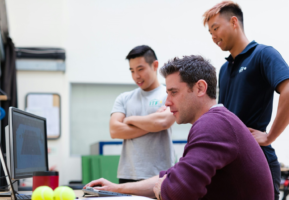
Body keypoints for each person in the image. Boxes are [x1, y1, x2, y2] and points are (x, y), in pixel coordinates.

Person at [85, 55, 274, 200]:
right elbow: (172, 176)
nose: (167, 103)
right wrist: (116, 188)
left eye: (173, 92)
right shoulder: (217, 121)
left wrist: (163, 190)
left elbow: (180, 191)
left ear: (200, 88)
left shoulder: (213, 125)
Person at [203, 1, 289, 199]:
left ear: (234, 22)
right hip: (229, 165)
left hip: (259, 162)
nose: (213, 36)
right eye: (210, 32)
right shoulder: (224, 69)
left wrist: (269, 137)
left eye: (215, 28)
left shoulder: (263, 54)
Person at [110, 45, 176, 184]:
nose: (136, 76)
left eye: (140, 69)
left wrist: (130, 119)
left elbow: (163, 122)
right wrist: (152, 123)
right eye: (132, 71)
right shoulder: (124, 98)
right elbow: (114, 130)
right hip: (128, 174)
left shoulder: (169, 95)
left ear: (155, 65)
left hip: (160, 174)